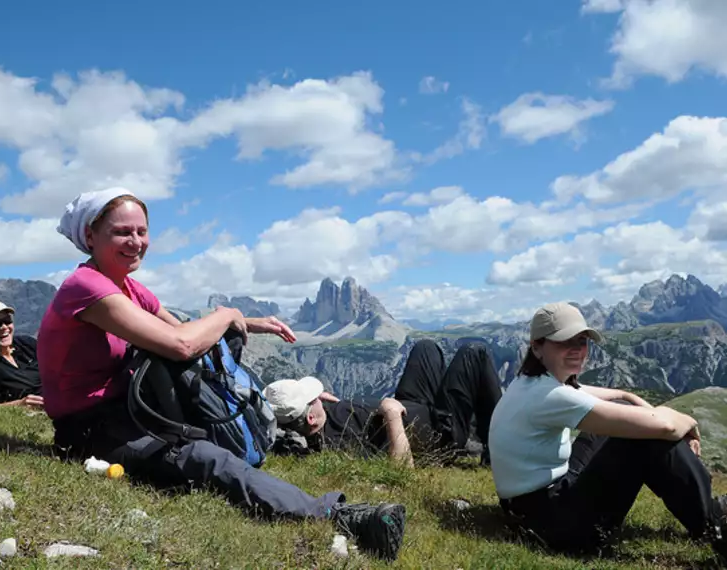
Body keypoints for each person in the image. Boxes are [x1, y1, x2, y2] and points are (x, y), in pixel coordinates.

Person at [37, 187, 406, 561]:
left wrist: (247, 324)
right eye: (122, 232)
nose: (136, 242)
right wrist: (227, 312)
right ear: (89, 236)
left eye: (141, 231)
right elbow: (180, 344)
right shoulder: (85, 287)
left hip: (131, 407)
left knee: (217, 363)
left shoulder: (129, 287)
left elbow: (183, 328)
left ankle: (258, 440)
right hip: (90, 427)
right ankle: (336, 514)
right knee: (204, 458)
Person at [488, 301, 727, 560]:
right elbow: (666, 425)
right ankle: (714, 523)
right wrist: (688, 423)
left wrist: (628, 396)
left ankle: (707, 515)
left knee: (625, 413)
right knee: (644, 437)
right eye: (564, 342)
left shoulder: (529, 381)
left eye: (581, 341)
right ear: (537, 347)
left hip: (530, 507)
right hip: (553, 525)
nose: (577, 350)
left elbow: (592, 395)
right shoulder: (549, 396)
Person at [263, 339, 503, 467]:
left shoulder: (315, 423)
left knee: (425, 347)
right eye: (312, 398)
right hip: (441, 432)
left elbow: (339, 421)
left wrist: (335, 404)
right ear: (310, 417)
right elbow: (401, 468)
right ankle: (498, 452)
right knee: (474, 352)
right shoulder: (338, 448)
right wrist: (392, 415)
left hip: (411, 404)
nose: (318, 396)